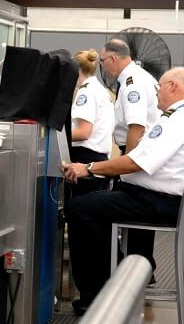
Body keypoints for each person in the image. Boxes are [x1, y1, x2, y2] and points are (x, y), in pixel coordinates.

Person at [62, 67, 184, 316]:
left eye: (160, 87)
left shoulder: (177, 118)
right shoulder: (173, 116)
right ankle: (115, 274)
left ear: (174, 86)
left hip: (159, 201)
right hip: (150, 196)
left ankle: (98, 294)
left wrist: (89, 168)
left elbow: (136, 162)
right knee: (94, 204)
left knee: (80, 209)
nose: (157, 93)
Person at [99, 38, 159, 274]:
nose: (103, 67)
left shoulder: (132, 83)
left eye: (103, 62)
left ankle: (137, 269)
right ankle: (142, 269)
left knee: (131, 211)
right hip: (144, 154)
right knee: (139, 219)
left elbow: (136, 127)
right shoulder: (141, 77)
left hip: (137, 152)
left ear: (113, 58)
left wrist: (127, 164)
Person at [68, 49, 115, 196]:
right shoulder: (101, 90)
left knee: (78, 209)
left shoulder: (86, 91)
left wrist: (58, 137)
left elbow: (83, 132)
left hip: (84, 157)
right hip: (98, 157)